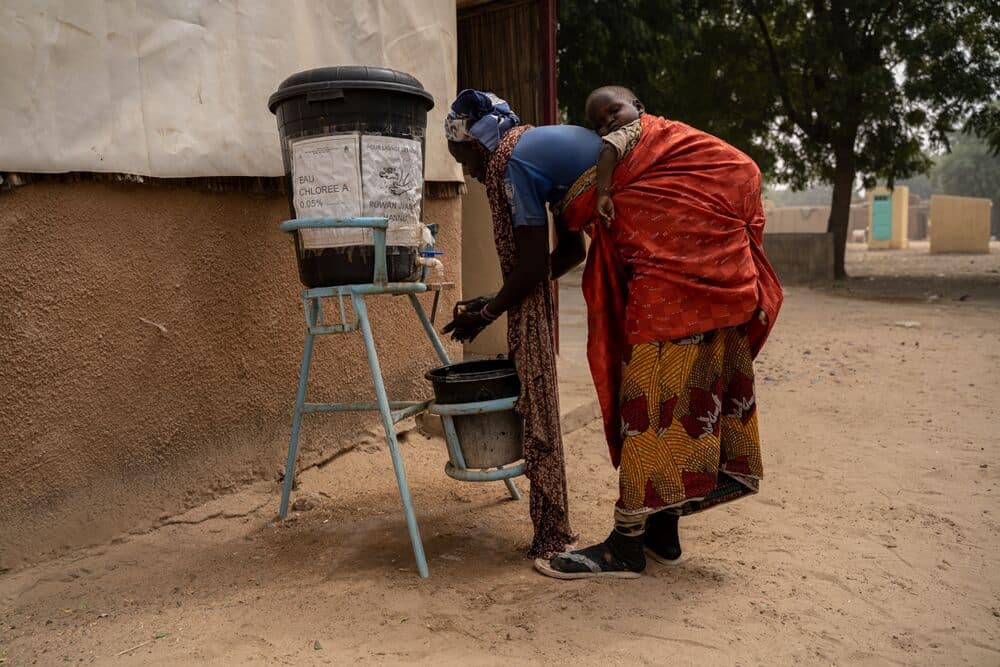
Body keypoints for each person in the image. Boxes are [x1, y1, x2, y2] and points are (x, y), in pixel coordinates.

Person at [442, 89, 602, 558]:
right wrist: (501, 297)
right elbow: (570, 252)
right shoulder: (530, 148)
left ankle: (574, 533)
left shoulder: (509, 162)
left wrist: (491, 311)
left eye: (466, 161)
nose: (471, 175)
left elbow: (532, 268)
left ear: (477, 145)